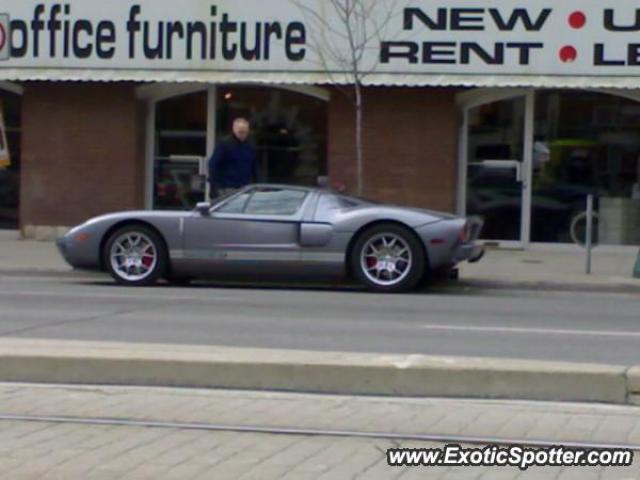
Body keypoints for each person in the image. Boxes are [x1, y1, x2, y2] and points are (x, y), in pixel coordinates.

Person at [208, 117, 259, 199]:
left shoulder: (250, 145)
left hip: (244, 187)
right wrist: (214, 188)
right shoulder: (224, 144)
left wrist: (258, 184)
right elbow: (213, 165)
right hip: (226, 187)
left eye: (246, 132)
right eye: (241, 132)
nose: (243, 135)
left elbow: (254, 167)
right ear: (234, 129)